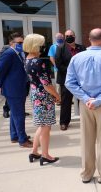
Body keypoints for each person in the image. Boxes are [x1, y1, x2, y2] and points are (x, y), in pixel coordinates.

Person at [65, 28, 101, 184]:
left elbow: (69, 83)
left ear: (89, 39)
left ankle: (86, 174)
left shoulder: (76, 58)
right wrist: (97, 100)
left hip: (85, 104)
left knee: (86, 139)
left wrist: (85, 98)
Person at [24, 33, 60, 165]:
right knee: (46, 127)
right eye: (41, 44)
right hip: (43, 97)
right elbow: (47, 84)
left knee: (41, 125)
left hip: (35, 94)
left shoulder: (27, 59)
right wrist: (57, 95)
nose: (43, 46)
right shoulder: (39, 62)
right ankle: (45, 155)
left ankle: (34, 151)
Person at [0, 32, 32, 147]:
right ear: (11, 43)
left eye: (23, 42)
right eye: (19, 42)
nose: (22, 44)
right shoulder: (9, 54)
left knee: (15, 114)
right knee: (19, 115)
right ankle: (23, 140)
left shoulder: (19, 53)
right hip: (13, 89)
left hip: (19, 88)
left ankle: (14, 136)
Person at [55, 29, 86, 131]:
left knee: (83, 100)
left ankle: (86, 120)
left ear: (75, 36)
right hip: (66, 80)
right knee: (66, 102)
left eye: (71, 35)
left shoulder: (81, 48)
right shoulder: (60, 48)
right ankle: (64, 122)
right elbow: (58, 64)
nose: (69, 37)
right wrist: (72, 73)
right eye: (67, 35)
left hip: (81, 80)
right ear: (64, 37)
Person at [48, 32, 64, 100]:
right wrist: (56, 65)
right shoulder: (53, 47)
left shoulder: (65, 46)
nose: (60, 39)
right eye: (58, 38)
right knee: (58, 85)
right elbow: (51, 57)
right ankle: (58, 99)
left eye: (61, 38)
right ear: (56, 38)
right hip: (57, 69)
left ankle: (65, 98)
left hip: (66, 69)